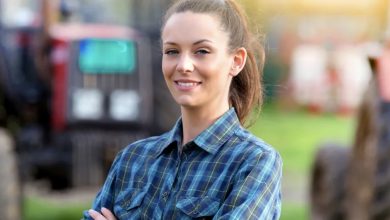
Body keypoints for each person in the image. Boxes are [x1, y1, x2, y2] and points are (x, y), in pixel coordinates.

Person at [84, 0, 282, 219]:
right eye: (172, 51)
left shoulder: (254, 162)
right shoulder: (131, 159)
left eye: (202, 51)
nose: (183, 65)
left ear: (236, 61)